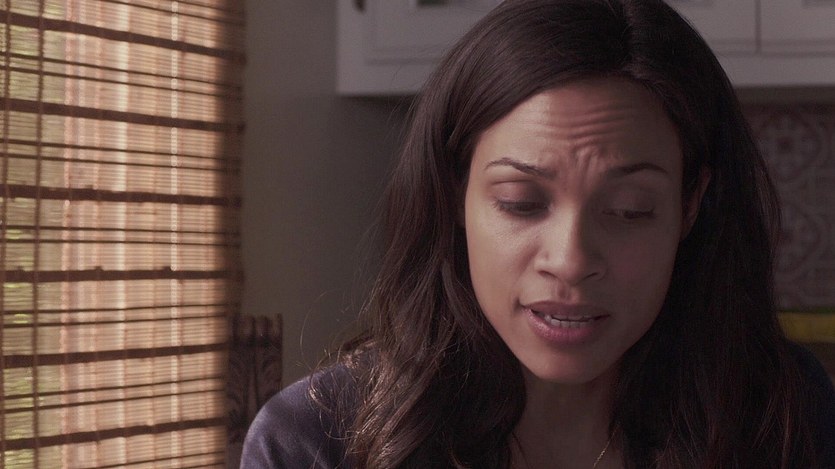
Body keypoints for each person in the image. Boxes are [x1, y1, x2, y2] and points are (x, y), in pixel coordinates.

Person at [242, 0, 835, 467]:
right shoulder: (313, 441)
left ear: (690, 207)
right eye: (521, 203)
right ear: (455, 195)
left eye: (629, 210)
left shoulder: (784, 413)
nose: (570, 260)